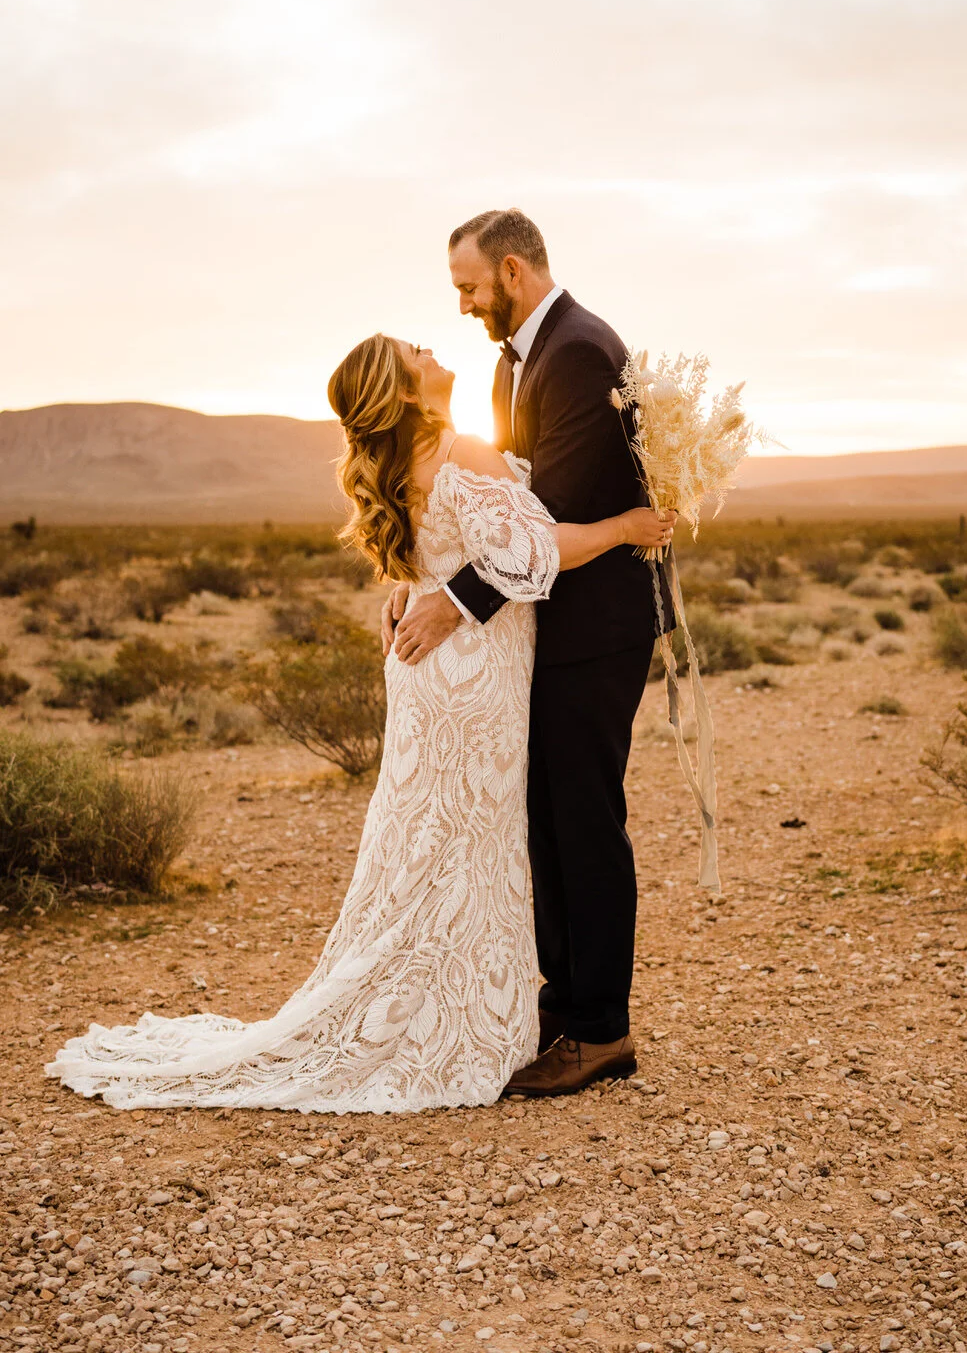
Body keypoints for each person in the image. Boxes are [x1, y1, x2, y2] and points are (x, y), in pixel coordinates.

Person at [46, 332, 672, 1113]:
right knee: (461, 842)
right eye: (415, 353)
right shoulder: (461, 449)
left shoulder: (404, 459)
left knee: (432, 840)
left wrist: (418, 587)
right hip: (470, 674)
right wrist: (623, 529)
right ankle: (450, 1020)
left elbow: (442, 554)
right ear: (405, 391)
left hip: (429, 672)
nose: (431, 348)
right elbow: (534, 552)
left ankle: (445, 1008)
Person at [383, 209, 672, 1097]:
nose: (463, 305)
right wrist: (418, 575)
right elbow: (499, 504)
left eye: (469, 286)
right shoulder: (519, 360)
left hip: (596, 629)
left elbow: (543, 523)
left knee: (583, 821)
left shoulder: (576, 351)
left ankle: (601, 1031)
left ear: (512, 270)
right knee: (545, 819)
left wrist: (454, 604)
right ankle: (563, 1006)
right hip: (552, 627)